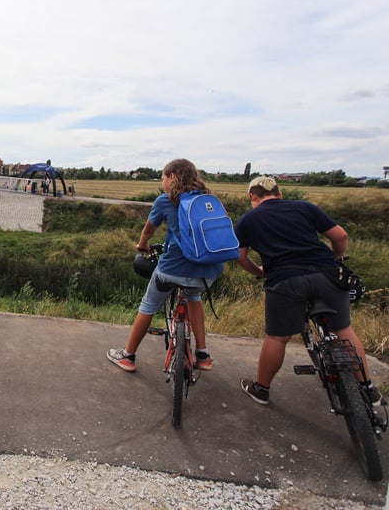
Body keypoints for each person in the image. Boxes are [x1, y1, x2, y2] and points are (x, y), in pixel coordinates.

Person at [234, 176, 382, 406]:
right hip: (326, 273)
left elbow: (240, 257)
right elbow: (340, 236)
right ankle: (368, 389)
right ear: (279, 194)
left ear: (253, 196)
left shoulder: (247, 220)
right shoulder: (304, 207)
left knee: (277, 337)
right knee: (343, 329)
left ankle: (261, 389)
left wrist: (261, 272)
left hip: (284, 279)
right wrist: (334, 258)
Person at [107, 158, 224, 373]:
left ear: (172, 177)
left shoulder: (165, 200)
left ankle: (128, 355)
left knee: (149, 304)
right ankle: (203, 354)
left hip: (173, 270)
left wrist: (143, 245)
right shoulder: (209, 199)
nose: (162, 181)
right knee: (194, 296)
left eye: (163, 177)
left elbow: (148, 230)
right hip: (208, 272)